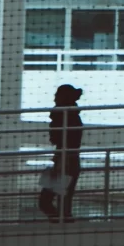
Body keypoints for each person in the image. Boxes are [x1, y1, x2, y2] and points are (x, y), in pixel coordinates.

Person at [40, 82, 84, 222]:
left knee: (47, 201)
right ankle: (62, 223)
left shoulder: (63, 117)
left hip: (63, 161)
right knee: (63, 201)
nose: (54, 98)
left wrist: (60, 162)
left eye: (56, 95)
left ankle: (60, 223)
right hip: (68, 161)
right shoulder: (73, 117)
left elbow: (62, 140)